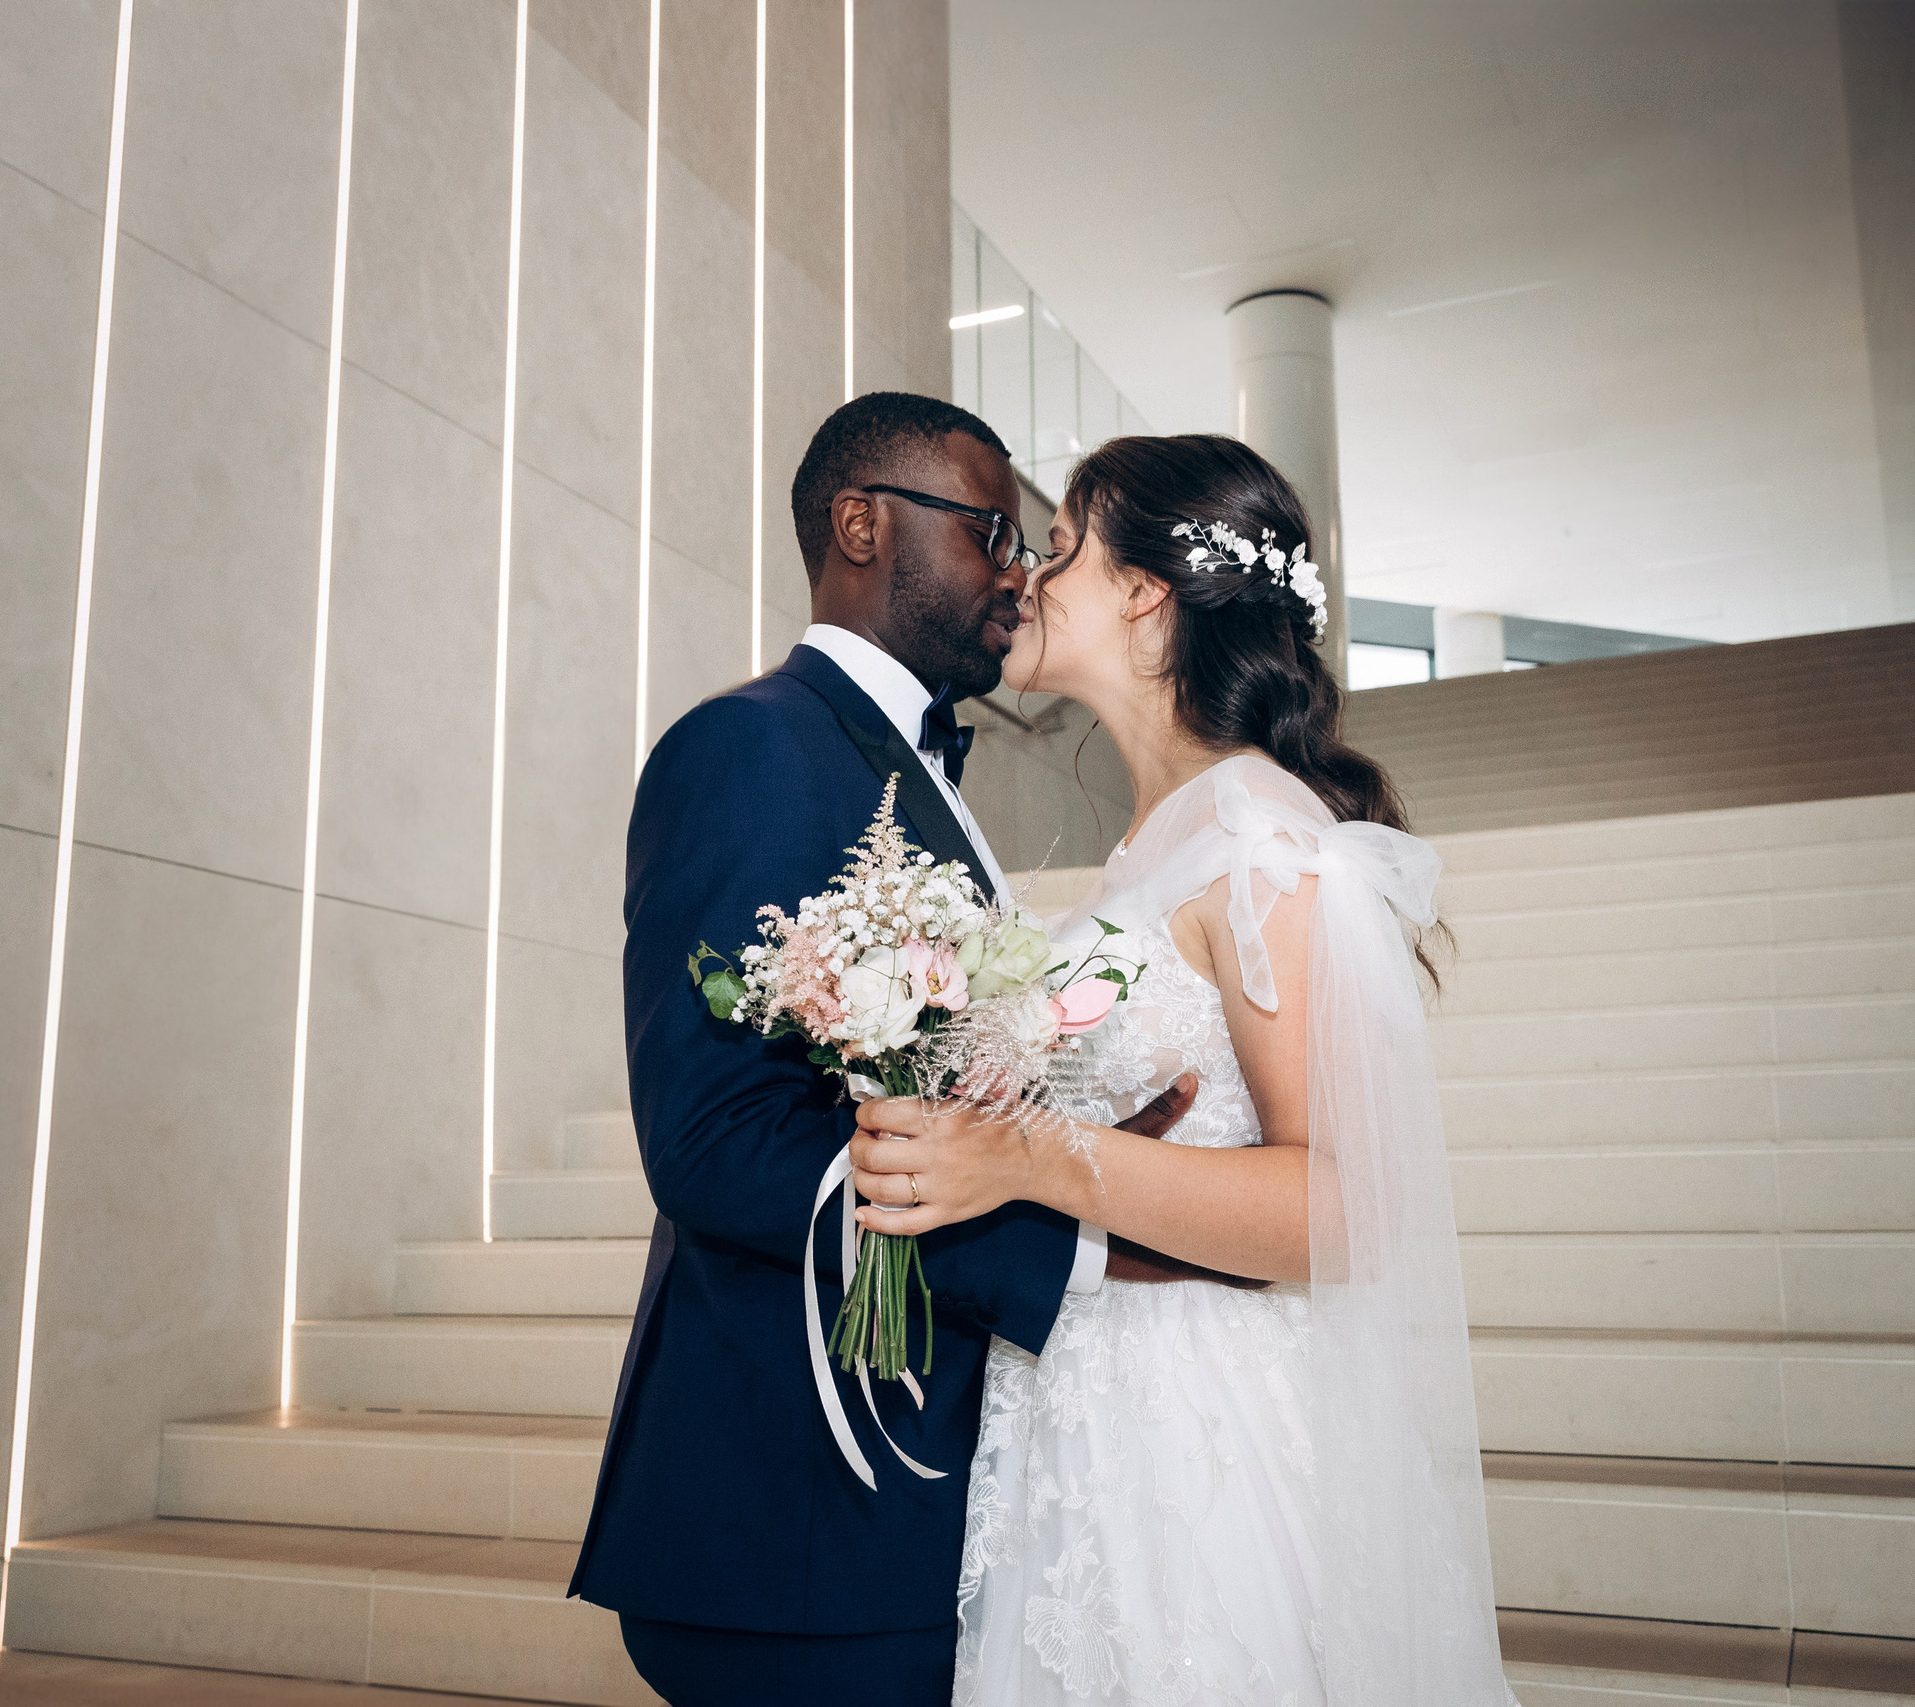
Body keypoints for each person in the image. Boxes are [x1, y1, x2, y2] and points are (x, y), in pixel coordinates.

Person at [571, 393, 1229, 1707]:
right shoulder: (752, 745)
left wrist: (1077, 1143)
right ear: (862, 523)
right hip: (799, 1509)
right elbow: (717, 1142)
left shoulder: (906, 775)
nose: (1017, 571)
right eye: (991, 529)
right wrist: (1066, 1235)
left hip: (898, 1499)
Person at [848, 435, 1524, 1703]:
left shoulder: (1267, 840)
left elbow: (1340, 1212)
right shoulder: (1156, 839)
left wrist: (1031, 1157)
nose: (1025, 582)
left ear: (1149, 593)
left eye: (1057, 552)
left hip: (1198, 1435)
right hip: (1087, 1406)